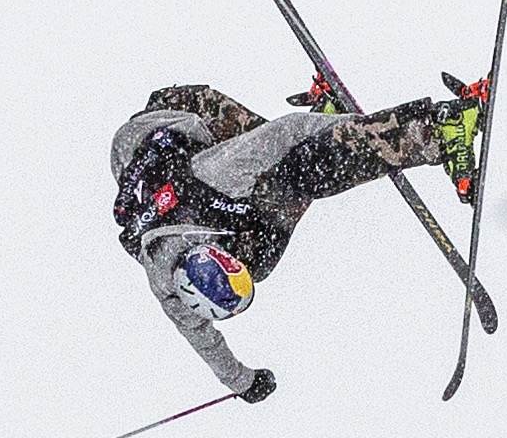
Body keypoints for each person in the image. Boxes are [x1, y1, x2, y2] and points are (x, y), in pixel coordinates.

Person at [107, 79, 482, 397]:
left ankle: (440, 129)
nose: (238, 265)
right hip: (157, 175)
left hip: (176, 110)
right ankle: (331, 124)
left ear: (209, 253)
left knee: (306, 165)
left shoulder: (213, 177)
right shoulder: (166, 284)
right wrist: (242, 382)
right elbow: (202, 337)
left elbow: (286, 131)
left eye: (231, 266)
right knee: (266, 236)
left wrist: (363, 133)